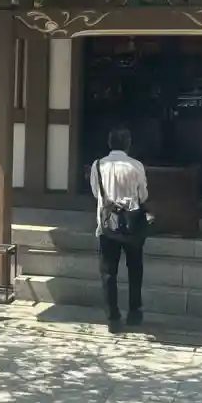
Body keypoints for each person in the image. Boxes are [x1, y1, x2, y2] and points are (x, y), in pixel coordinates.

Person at [89, 127, 150, 333]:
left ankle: (113, 317)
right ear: (128, 144)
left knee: (108, 272)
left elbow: (96, 192)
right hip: (132, 224)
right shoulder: (136, 166)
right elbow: (143, 195)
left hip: (107, 225)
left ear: (109, 143)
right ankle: (134, 311)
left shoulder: (98, 165)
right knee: (135, 268)